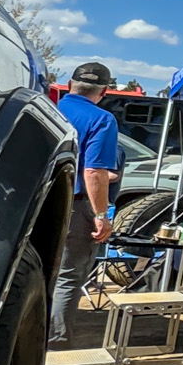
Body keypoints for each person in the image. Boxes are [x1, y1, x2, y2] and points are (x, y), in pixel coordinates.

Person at [50, 61, 120, 349]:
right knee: (67, 276)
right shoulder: (102, 120)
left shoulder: (47, 109)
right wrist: (101, 214)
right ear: (104, 92)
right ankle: (55, 343)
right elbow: (93, 171)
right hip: (72, 205)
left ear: (70, 85)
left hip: (29, 203)